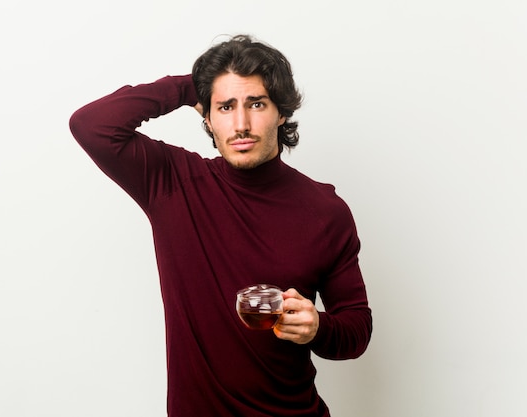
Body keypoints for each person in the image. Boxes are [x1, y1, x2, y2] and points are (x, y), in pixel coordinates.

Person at [69, 34, 372, 417]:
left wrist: (319, 328)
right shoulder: (172, 183)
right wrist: (190, 85)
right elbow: (91, 124)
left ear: (281, 112)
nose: (241, 123)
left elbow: (357, 328)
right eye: (225, 106)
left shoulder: (326, 211)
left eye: (256, 103)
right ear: (207, 117)